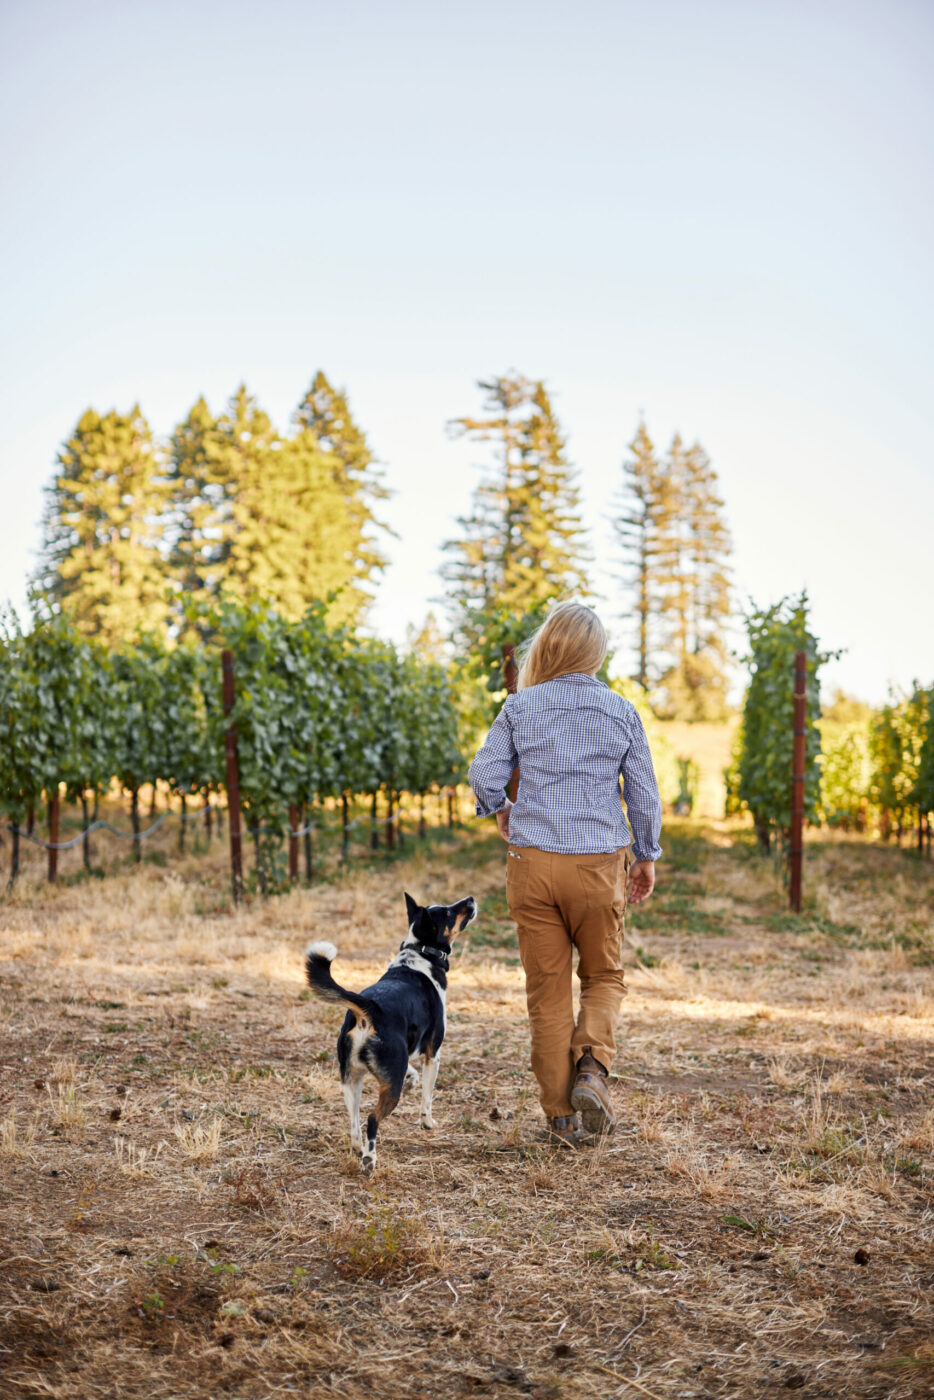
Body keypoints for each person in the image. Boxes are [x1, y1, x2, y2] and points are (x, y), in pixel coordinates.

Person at [468, 602, 662, 1146]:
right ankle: (593, 1073)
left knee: (546, 992)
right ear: (595, 653)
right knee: (602, 976)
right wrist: (645, 855)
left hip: (532, 867)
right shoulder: (620, 710)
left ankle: (559, 1120)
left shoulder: (520, 707)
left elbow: (483, 774)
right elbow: (643, 794)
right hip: (599, 865)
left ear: (549, 646)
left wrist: (500, 807)